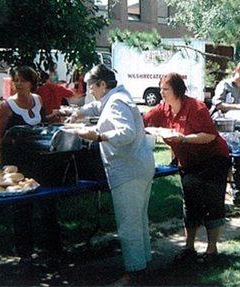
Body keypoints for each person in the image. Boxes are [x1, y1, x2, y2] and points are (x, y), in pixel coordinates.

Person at [68, 64, 155, 284]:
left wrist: (96, 135)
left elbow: (126, 133)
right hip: (139, 166)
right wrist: (80, 112)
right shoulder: (117, 97)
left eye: (91, 86)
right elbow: (98, 106)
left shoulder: (116, 102)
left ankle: (134, 271)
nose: (89, 91)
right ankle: (144, 264)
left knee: (128, 223)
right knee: (139, 219)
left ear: (103, 84)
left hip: (128, 170)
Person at [144, 72, 231, 264]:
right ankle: (189, 247)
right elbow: (143, 121)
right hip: (188, 163)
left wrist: (183, 138)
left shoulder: (196, 107)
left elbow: (209, 136)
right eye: (160, 88)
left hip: (213, 159)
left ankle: (211, 250)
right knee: (190, 204)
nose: (162, 92)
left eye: (166, 89)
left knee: (212, 202)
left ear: (177, 90)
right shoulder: (162, 108)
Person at [0, 66, 61, 267]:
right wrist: (5, 164)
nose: (19, 84)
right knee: (22, 208)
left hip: (40, 160)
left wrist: (53, 118)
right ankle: (25, 253)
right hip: (18, 162)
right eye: (16, 80)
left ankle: (52, 249)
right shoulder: (7, 107)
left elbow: (39, 125)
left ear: (31, 82)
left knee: (48, 203)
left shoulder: (37, 100)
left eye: (23, 80)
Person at [211, 59, 240, 205]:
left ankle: (237, 193)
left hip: (238, 128)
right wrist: (238, 107)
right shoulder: (225, 85)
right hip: (222, 127)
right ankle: (223, 195)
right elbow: (218, 104)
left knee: (238, 159)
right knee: (223, 161)